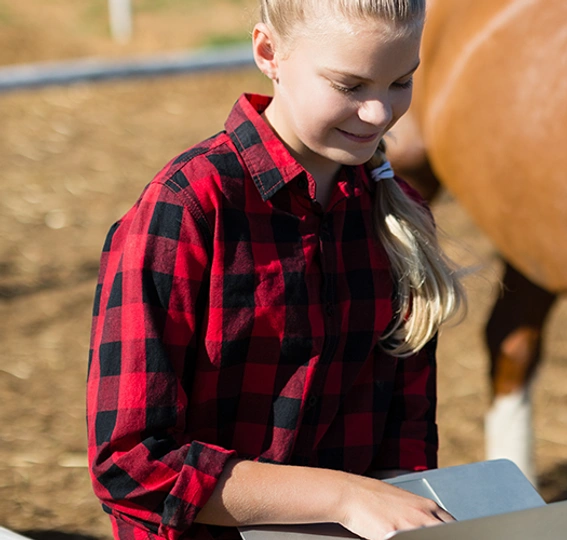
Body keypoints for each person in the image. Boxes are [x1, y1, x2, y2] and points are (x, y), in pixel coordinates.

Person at [85, 1, 464, 539]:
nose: (380, 114)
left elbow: (405, 442)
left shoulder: (400, 213)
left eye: (401, 81)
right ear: (269, 53)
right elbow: (130, 465)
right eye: (350, 85)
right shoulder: (189, 209)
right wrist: (342, 496)